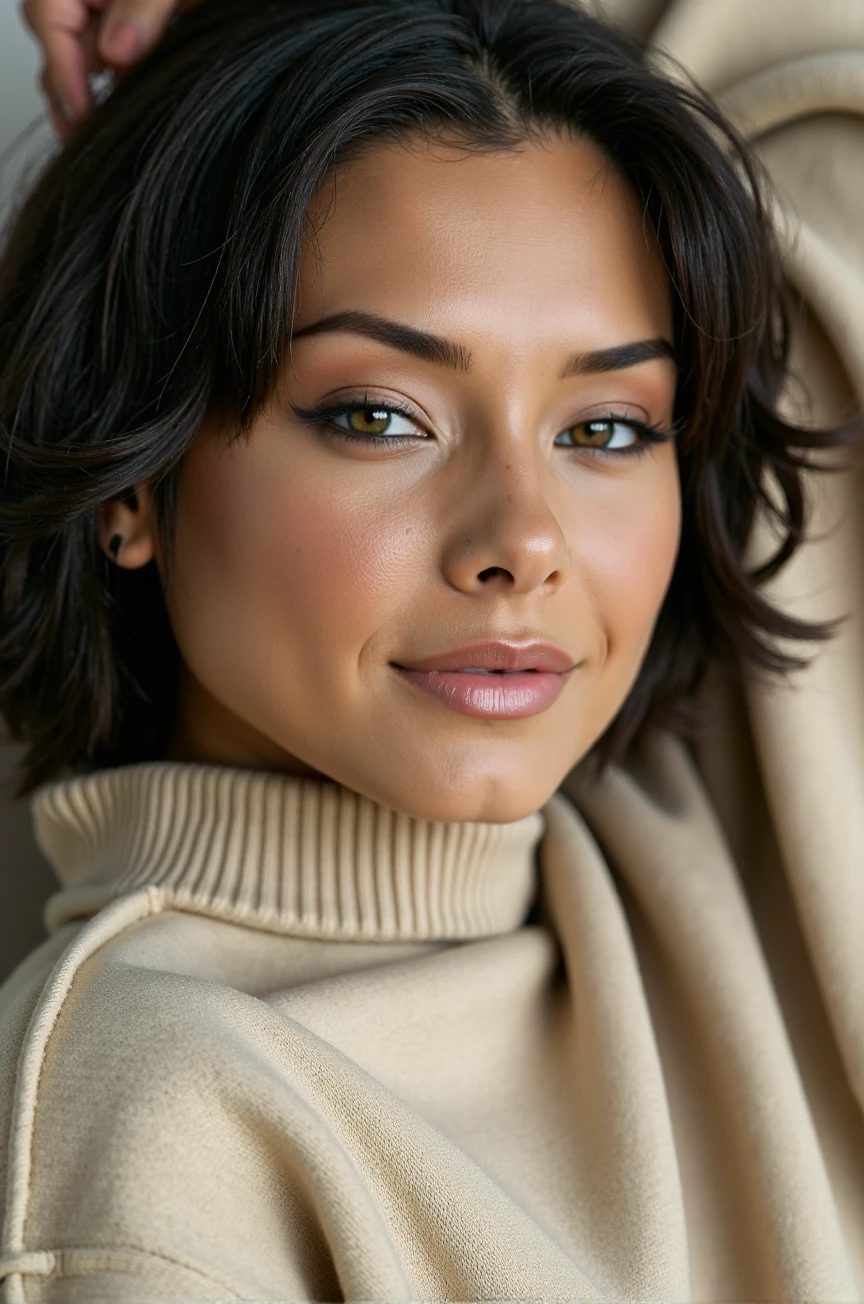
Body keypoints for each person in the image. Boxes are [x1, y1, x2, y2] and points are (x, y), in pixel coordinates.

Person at [1, 0, 863, 1299]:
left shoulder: (765, 850)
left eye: (610, 429)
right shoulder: (160, 1131)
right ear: (134, 472)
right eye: (378, 415)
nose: (522, 538)